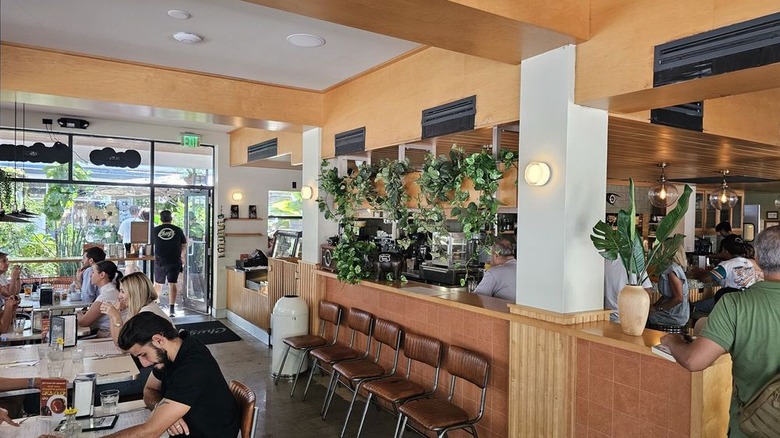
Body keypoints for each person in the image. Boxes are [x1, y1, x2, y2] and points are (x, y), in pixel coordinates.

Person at [661, 226, 780, 437]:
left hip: (753, 427)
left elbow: (694, 360)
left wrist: (672, 341)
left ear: (759, 259)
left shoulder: (734, 304)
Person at [109, 312, 240, 437]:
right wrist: (163, 412)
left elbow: (149, 432)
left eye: (143, 354)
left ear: (159, 340)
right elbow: (149, 389)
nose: (144, 363)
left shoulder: (192, 367)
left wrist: (163, 416)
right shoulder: (172, 351)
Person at [689, 236, 761, 314]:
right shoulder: (752, 262)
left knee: (694, 307)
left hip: (731, 302)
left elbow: (706, 279)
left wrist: (696, 272)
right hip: (750, 302)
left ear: (725, 251)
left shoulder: (727, 265)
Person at [101, 272, 172, 343]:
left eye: (122, 291)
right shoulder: (139, 309)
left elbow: (122, 345)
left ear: (134, 292)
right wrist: (112, 315)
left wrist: (116, 317)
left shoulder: (146, 314)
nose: (119, 296)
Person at [77, 261, 127, 338]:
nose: (90, 275)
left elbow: (83, 323)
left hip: (108, 335)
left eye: (93, 272)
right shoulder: (111, 290)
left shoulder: (107, 295)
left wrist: (78, 313)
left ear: (102, 275)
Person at [153, 210, 187, 317]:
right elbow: (184, 245)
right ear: (171, 218)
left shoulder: (155, 230)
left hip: (160, 260)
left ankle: (155, 305)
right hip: (174, 259)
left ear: (161, 218)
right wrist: (182, 256)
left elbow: (150, 244)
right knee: (172, 283)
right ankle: (172, 309)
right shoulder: (177, 229)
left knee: (158, 283)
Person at [647, 244, 689, 327]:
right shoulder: (670, 268)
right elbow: (666, 296)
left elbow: (678, 298)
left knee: (643, 318)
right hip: (672, 311)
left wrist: (657, 308)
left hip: (675, 315)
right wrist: (655, 306)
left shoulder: (672, 269)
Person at [603, 258, 654, 323]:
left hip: (606, 317)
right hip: (632, 319)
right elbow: (647, 292)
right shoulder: (635, 261)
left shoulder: (602, 262)